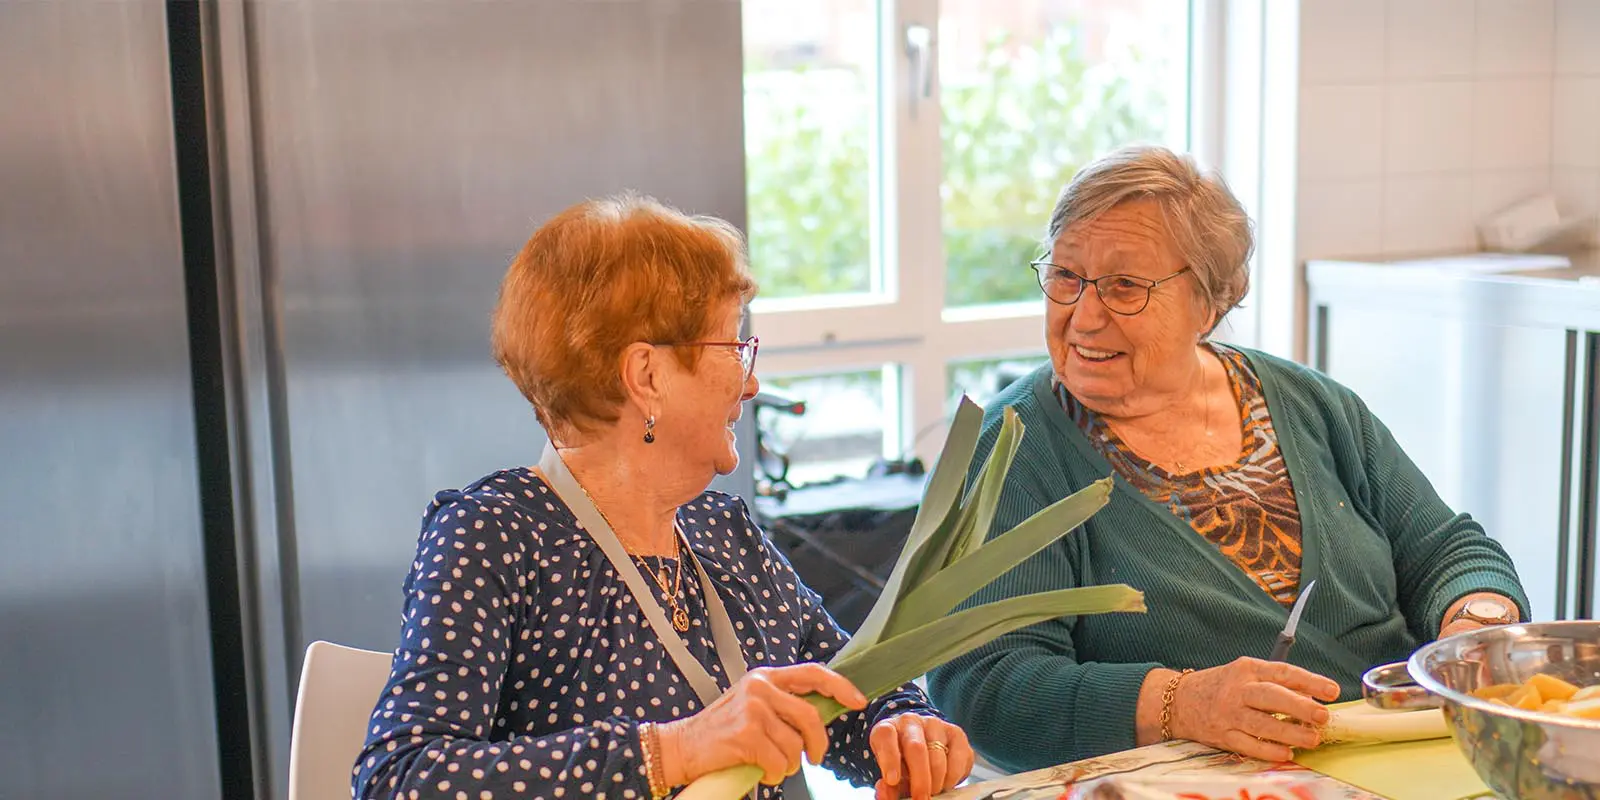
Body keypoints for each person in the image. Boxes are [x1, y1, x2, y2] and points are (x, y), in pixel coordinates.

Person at [927, 145, 1529, 773]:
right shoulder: (1014, 446)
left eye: (1125, 286)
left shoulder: (1309, 403)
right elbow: (984, 684)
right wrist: (1180, 704)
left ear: (1209, 303)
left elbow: (1447, 548)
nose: (1084, 315)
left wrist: (1474, 629)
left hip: (1406, 759)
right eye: (1065, 277)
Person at [354, 194, 974, 799]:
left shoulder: (721, 530)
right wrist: (676, 749)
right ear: (647, 376)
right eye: (733, 347)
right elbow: (399, 778)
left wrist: (904, 728)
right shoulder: (496, 535)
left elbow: (843, 687)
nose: (752, 383)